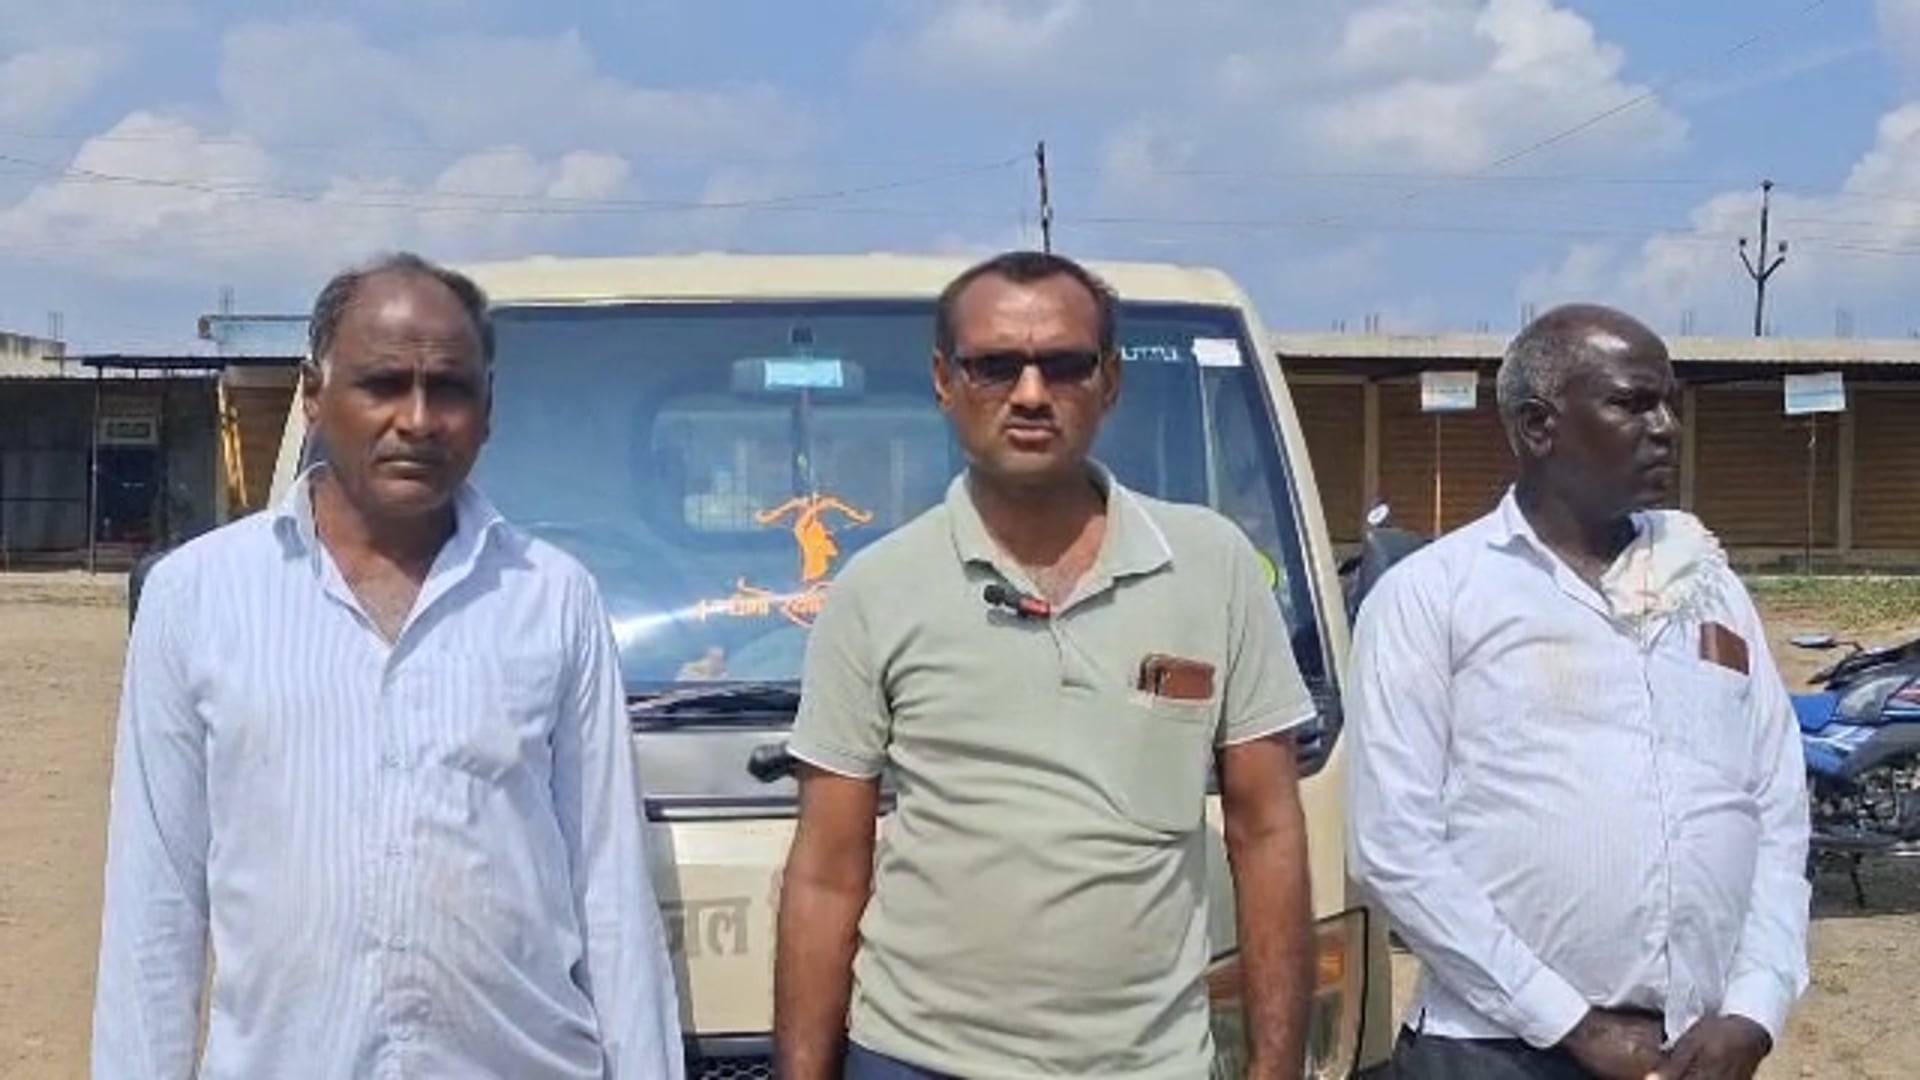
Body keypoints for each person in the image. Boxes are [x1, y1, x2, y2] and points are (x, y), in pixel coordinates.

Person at [91, 252, 685, 1079]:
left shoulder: (552, 597)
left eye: (449, 390)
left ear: (487, 410)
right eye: (382, 385)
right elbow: (154, 904)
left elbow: (610, 887)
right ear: (313, 393)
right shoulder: (196, 597)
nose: (418, 419)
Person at [772, 250, 1319, 1079]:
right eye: (995, 366)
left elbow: (1268, 828)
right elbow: (825, 871)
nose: (1030, 393)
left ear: (1110, 381)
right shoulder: (876, 588)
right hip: (918, 1058)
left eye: (1063, 364)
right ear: (944, 381)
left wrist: (1275, 1070)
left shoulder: (1213, 566)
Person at [1345, 303, 1810, 1080]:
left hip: (1695, 1051)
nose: (1666, 427)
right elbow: (1393, 847)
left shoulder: (1711, 589)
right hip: (1493, 1051)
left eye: (1669, 403)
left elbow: (1777, 808)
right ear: (1539, 426)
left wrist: (1754, 1010)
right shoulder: (1434, 596)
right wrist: (1574, 1025)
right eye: (1633, 403)